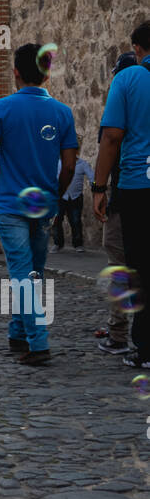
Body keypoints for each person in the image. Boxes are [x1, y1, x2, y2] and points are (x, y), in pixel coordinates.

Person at [0, 43, 77, 366]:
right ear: (46, 73)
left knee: (21, 274)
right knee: (33, 272)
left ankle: (38, 343)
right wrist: (57, 192)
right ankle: (17, 332)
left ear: (16, 72)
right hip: (46, 202)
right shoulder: (63, 112)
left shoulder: (0, 108)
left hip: (10, 203)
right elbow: (69, 167)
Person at [94, 21, 150, 371]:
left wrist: (99, 188)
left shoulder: (127, 79)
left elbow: (112, 137)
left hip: (138, 187)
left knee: (140, 268)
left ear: (138, 49)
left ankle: (144, 349)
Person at [96, 52, 138, 354]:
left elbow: (110, 143)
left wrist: (99, 189)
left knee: (118, 266)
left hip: (125, 198)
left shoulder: (118, 108)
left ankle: (119, 334)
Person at [52, 142, 92, 253]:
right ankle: (57, 243)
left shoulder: (83, 164)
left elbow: (92, 177)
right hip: (60, 196)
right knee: (56, 220)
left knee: (75, 221)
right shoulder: (57, 163)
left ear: (76, 152)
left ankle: (78, 244)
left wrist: (95, 184)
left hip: (76, 197)